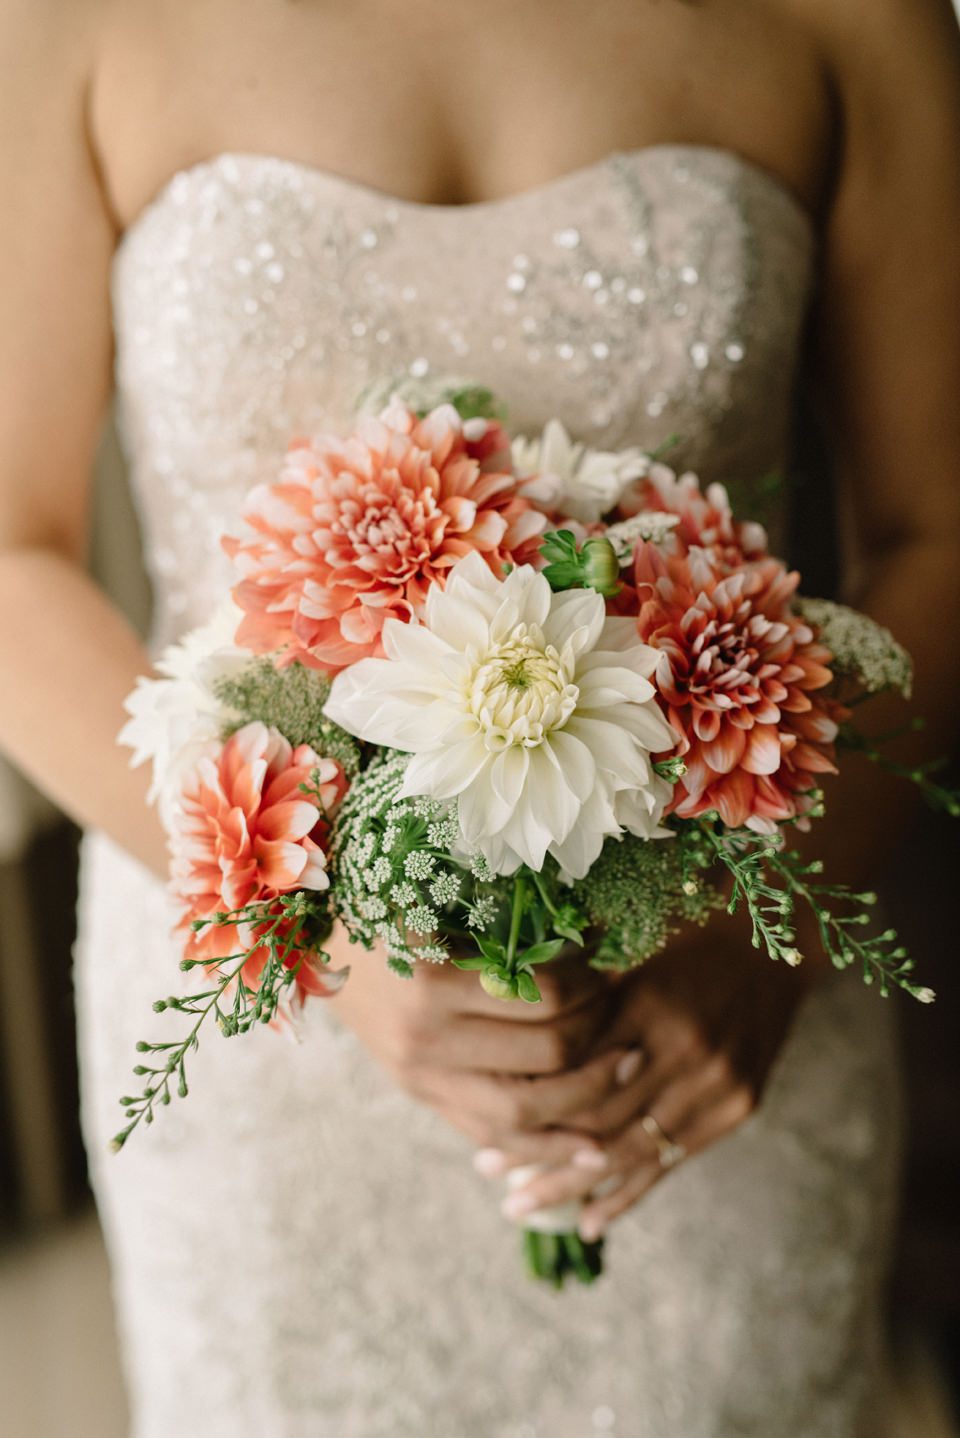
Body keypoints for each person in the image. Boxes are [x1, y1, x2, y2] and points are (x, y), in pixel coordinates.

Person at [1, 1, 959, 1433]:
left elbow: (937, 525)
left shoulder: (859, 20)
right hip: (264, 1032)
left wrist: (785, 935)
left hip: (712, 1022)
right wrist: (312, 927)